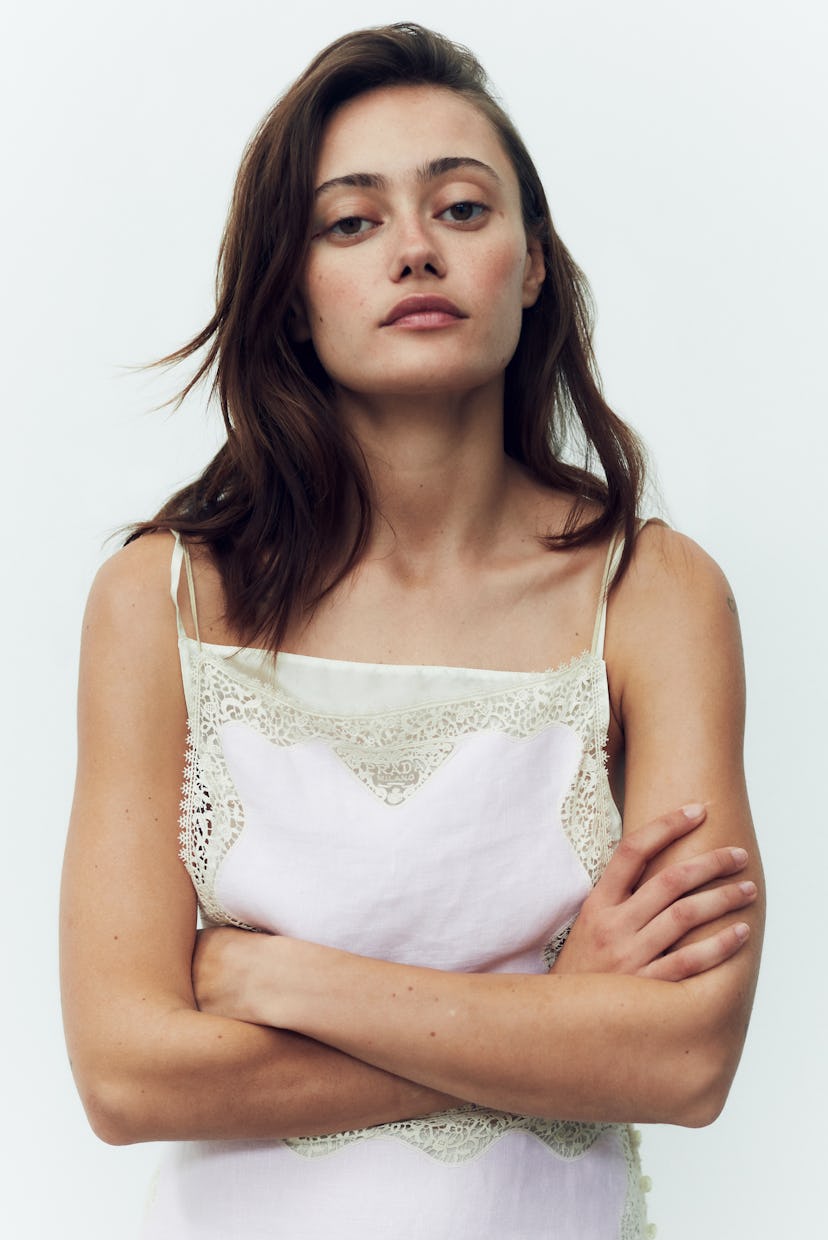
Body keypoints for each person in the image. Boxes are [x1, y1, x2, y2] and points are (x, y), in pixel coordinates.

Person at [60, 22, 763, 1240]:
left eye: (461, 208)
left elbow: (686, 1059)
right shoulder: (164, 596)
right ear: (290, 289)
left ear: (533, 264)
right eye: (352, 222)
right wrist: (560, 1016)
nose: (415, 251)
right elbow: (126, 1077)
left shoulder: (655, 592)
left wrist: (285, 981)